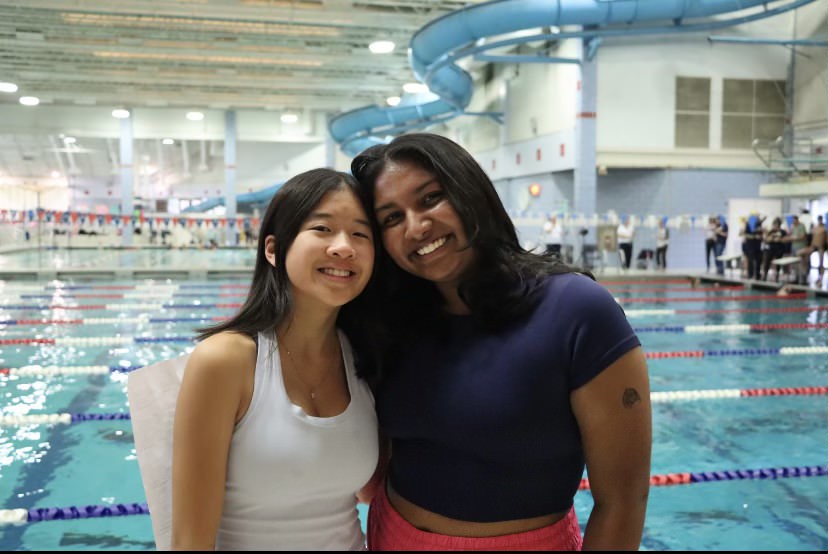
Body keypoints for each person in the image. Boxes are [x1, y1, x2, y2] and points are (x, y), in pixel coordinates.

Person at [351, 133, 651, 551]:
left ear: (470, 192)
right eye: (391, 218)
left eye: (431, 198)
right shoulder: (394, 322)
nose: (416, 226)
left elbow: (623, 500)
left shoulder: (577, 311)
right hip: (391, 535)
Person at [131, 168, 384, 550]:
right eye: (322, 229)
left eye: (360, 234)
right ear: (272, 249)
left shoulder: (365, 358)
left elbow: (370, 494)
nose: (344, 247)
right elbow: (189, 541)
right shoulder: (227, 361)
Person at [797, 214, 827, 282]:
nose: (819, 221)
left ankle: (820, 278)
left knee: (821, 263)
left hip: (821, 247)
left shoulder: (824, 229)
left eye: (820, 220)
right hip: (813, 246)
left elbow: (825, 240)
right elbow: (812, 238)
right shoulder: (815, 228)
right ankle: (804, 271)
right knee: (800, 253)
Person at [761, 217, 787, 281]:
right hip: (770, 249)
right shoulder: (771, 231)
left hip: (779, 249)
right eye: (774, 224)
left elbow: (785, 240)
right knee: (767, 261)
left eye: (777, 224)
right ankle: (765, 275)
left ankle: (777, 275)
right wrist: (772, 239)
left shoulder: (782, 232)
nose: (775, 225)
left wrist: (778, 239)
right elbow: (767, 239)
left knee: (778, 263)